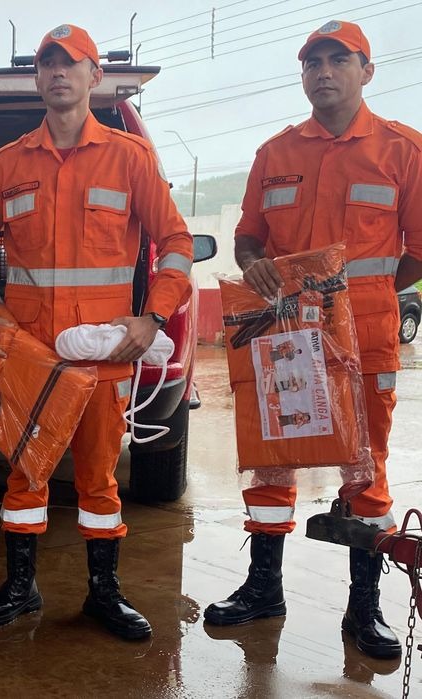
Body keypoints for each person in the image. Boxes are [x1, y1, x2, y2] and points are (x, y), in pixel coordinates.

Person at [0, 24, 193, 639]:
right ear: (38, 79)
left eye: (71, 63)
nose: (58, 72)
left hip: (101, 358)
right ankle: (20, 586)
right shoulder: (8, 163)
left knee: (99, 479)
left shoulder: (129, 157)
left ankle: (103, 595)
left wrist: (153, 316)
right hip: (29, 358)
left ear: (95, 77)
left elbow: (177, 245)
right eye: (47, 64)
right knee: (25, 475)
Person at [204, 20, 422, 661]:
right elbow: (249, 236)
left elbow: (416, 255)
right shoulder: (275, 154)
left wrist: (361, 295)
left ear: (366, 71)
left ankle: (363, 610)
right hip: (283, 333)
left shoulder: (403, 150)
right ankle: (263, 588)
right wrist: (253, 263)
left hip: (369, 339)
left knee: (364, 466)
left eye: (338, 60)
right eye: (312, 63)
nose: (323, 72)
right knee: (273, 457)